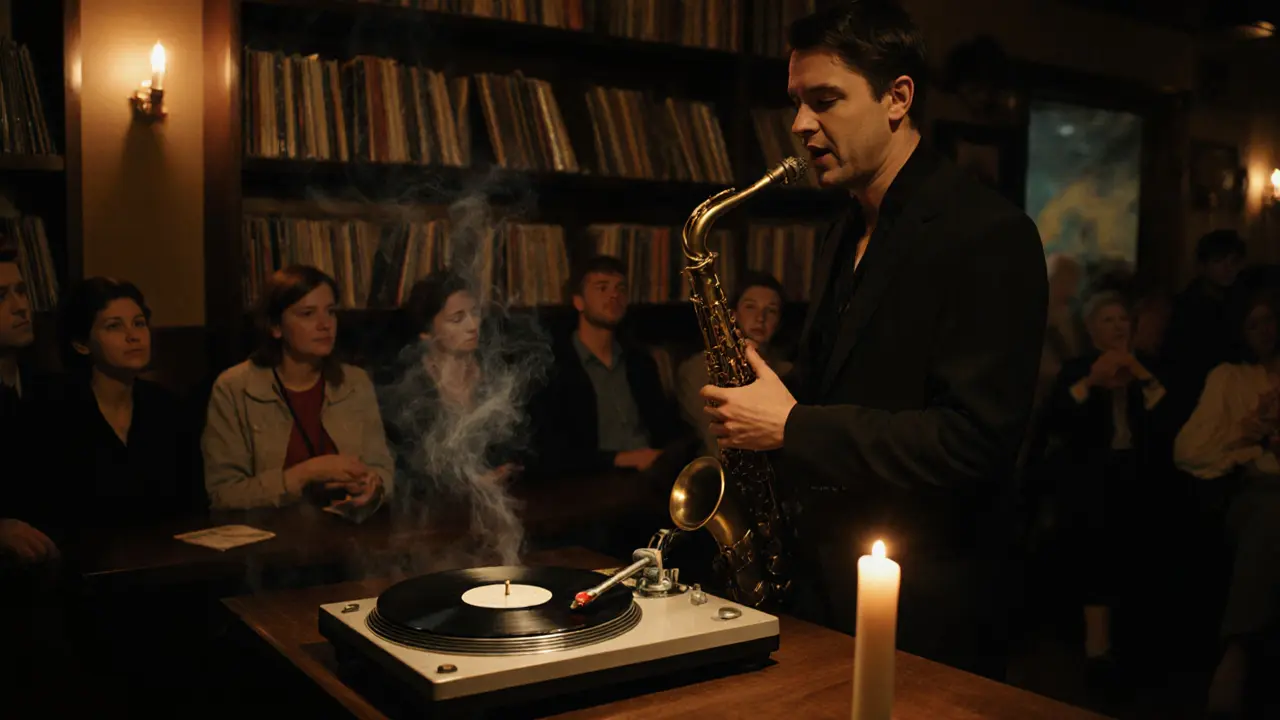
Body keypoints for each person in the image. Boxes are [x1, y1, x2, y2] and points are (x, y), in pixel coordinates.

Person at [698, 0, 1047, 679]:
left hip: (928, 609)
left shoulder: (988, 234)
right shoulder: (843, 226)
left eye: (825, 100)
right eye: (797, 102)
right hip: (827, 581)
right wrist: (764, 393)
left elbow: (973, 443)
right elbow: (854, 380)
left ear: (898, 97)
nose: (800, 125)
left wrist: (791, 426)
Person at [1043, 291, 1167, 684]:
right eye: (1108, 320)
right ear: (1092, 329)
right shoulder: (1078, 369)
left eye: (1122, 319)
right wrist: (1093, 382)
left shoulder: (1146, 367)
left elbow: (1168, 419)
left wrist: (1140, 375)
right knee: (1095, 519)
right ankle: (1097, 649)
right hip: (1090, 473)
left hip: (1138, 470)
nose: (1118, 326)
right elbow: (1058, 420)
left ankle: (1137, 646)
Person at [202, 265, 394, 514]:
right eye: (307, 313)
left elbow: (383, 470)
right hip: (270, 539)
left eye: (331, 312)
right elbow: (223, 494)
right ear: (276, 327)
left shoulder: (355, 382)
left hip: (349, 535)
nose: (325, 325)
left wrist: (374, 485)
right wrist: (306, 474)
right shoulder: (234, 388)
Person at [1174, 289, 1280, 717]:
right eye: (1254, 323)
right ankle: (1237, 652)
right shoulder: (1230, 377)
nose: (1265, 331)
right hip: (1251, 492)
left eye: (1270, 319)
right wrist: (1249, 436)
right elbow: (1189, 450)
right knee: (1272, 513)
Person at [44, 277, 205, 529]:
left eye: (139, 324)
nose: (133, 336)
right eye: (114, 326)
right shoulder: (55, 412)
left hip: (166, 556)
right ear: (81, 344)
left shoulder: (167, 408)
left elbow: (194, 504)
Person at [677, 271, 793, 458]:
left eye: (770, 310)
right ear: (733, 315)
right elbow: (714, 438)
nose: (760, 318)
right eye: (750, 307)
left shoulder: (789, 373)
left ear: (778, 322)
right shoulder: (700, 368)